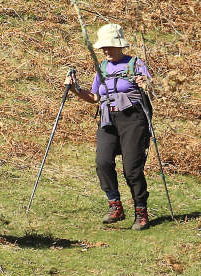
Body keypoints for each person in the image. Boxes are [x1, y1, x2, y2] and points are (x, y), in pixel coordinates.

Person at [66, 23, 153, 230]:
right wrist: (74, 89)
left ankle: (141, 211)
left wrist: (146, 84)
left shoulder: (135, 63)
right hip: (108, 120)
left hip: (133, 120)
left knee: (132, 169)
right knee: (102, 163)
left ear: (120, 45)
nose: (105, 50)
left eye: (109, 46)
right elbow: (95, 97)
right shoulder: (102, 68)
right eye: (103, 47)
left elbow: (152, 88)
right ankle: (115, 206)